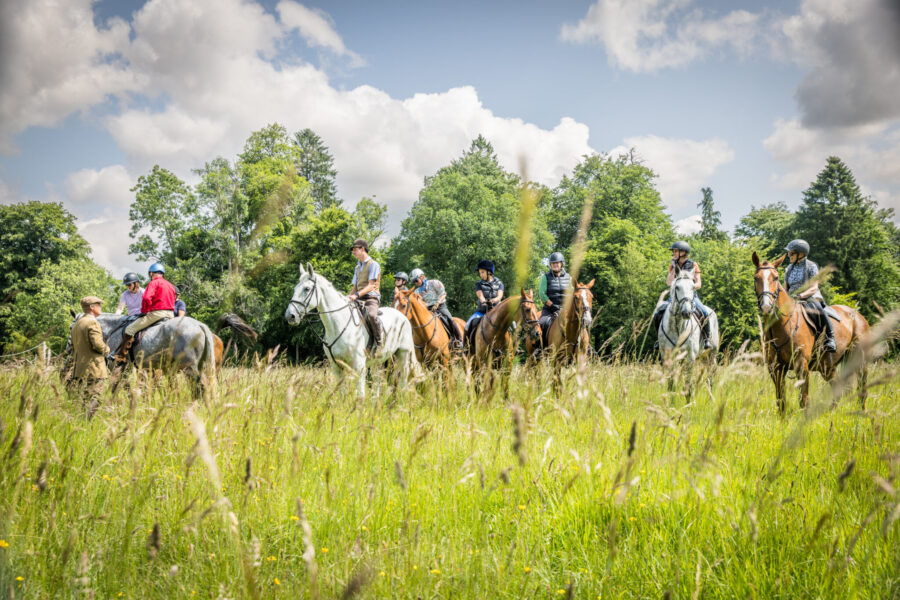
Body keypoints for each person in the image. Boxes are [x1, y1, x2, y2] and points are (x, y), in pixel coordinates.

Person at [651, 241, 713, 349]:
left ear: (683, 252)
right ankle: (659, 339)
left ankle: (707, 339)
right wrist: (673, 267)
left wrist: (690, 286)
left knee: (704, 312)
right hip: (675, 297)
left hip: (690, 296)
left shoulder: (693, 264)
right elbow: (669, 283)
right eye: (673, 251)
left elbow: (699, 283)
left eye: (676, 251)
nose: (674, 253)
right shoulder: (672, 266)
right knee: (658, 313)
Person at [113, 262, 176, 365]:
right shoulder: (170, 285)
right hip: (171, 314)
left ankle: (121, 357)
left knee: (129, 330)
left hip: (157, 314)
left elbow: (146, 298)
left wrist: (145, 311)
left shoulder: (154, 283)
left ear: (151, 273)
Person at [784, 239, 836, 352]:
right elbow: (785, 289)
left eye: (791, 253)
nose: (789, 255)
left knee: (818, 309)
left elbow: (814, 287)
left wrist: (800, 296)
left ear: (801, 254)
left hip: (809, 296)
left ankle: (830, 338)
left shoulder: (811, 266)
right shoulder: (788, 269)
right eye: (788, 253)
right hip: (792, 298)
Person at [410, 268, 463, 349]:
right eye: (414, 282)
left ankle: (459, 339)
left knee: (449, 318)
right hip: (427, 309)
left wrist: (437, 303)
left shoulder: (434, 283)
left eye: (416, 280)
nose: (416, 283)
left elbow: (443, 294)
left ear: (422, 276)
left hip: (440, 306)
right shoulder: (416, 292)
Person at [69, 296, 110, 398]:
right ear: (92, 307)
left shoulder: (77, 323)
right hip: (93, 369)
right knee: (95, 398)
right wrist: (108, 350)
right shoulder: (92, 322)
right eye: (98, 305)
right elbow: (97, 345)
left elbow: (72, 346)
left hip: (79, 369)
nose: (100, 307)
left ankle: (83, 414)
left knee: (83, 400)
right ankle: (87, 415)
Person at [348, 239, 383, 350]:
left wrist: (356, 295)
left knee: (372, 315)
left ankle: (378, 342)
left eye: (355, 249)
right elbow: (355, 287)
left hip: (371, 297)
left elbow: (371, 286)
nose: (353, 252)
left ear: (362, 249)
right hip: (359, 297)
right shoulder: (357, 267)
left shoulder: (373, 264)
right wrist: (347, 297)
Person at [535, 252, 572, 343]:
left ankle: (586, 347)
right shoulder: (546, 277)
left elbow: (572, 293)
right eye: (553, 263)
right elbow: (542, 294)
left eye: (557, 263)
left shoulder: (568, 277)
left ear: (561, 264)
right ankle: (540, 348)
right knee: (542, 323)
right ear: (550, 265)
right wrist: (552, 306)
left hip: (566, 309)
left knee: (581, 322)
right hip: (550, 309)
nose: (555, 265)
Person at [465, 260, 505, 335]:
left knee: (513, 324)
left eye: (482, 272)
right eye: (480, 273)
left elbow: (499, 296)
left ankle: (514, 343)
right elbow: (480, 295)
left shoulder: (499, 283)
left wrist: (493, 301)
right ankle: (466, 345)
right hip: (482, 311)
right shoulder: (479, 284)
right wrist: (484, 302)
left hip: (496, 311)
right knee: (467, 325)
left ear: (489, 272)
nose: (481, 275)